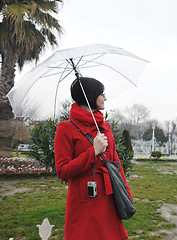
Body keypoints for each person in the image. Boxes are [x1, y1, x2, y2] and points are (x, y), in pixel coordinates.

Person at [54, 77, 132, 240]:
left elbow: (114, 163)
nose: (105, 98)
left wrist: (125, 193)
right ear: (90, 96)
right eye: (101, 93)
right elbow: (62, 171)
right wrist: (93, 151)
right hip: (84, 199)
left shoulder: (105, 126)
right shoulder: (66, 128)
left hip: (109, 195)